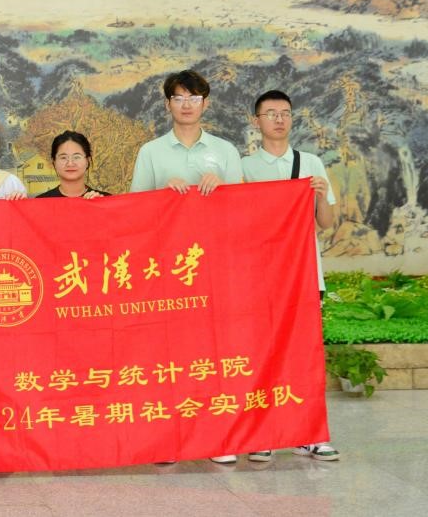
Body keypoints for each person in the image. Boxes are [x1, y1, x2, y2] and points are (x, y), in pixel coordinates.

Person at [128, 70, 243, 465]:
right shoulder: (152, 152)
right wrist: (162, 197)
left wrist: (224, 190)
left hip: (215, 269)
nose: (187, 104)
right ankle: (168, 438)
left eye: (194, 97)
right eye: (178, 98)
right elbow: (134, 213)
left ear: (205, 103)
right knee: (169, 355)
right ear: (167, 105)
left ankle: (219, 438)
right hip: (167, 271)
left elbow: (245, 210)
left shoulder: (225, 151)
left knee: (215, 351)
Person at [241, 89, 341, 462]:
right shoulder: (244, 167)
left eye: (285, 112)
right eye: (270, 113)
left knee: (304, 358)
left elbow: (326, 223)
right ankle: (262, 435)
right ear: (256, 121)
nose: (279, 119)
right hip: (260, 281)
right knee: (261, 358)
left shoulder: (311, 163)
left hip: (304, 276)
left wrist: (321, 195)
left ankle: (309, 434)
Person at [36, 131, 110, 198]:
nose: (70, 163)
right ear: (54, 162)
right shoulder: (40, 202)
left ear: (87, 161)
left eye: (76, 157)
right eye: (63, 157)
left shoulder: (105, 199)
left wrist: (100, 205)